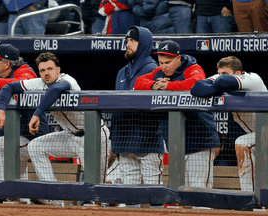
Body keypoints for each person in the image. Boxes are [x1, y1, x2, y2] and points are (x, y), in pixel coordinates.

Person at [0, 52, 111, 205]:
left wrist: (37, 114)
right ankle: (54, 196)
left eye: (49, 69)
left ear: (58, 70)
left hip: (94, 135)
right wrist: (1, 109)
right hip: (70, 136)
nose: (46, 73)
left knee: (96, 190)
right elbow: (8, 87)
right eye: (42, 70)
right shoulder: (38, 83)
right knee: (36, 146)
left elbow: (56, 90)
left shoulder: (67, 80)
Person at [134, 40, 221, 188]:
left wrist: (169, 86)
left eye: (168, 62)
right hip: (176, 144)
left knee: (199, 192)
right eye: (161, 62)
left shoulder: (192, 67)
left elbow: (196, 83)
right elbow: (138, 82)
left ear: (178, 59)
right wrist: (154, 85)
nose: (164, 66)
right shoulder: (159, 72)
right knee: (181, 195)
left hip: (199, 141)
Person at [0, 44, 49, 204]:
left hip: (36, 137)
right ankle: (8, 195)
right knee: (1, 148)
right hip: (19, 138)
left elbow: (21, 82)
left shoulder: (26, 71)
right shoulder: (0, 72)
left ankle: (48, 195)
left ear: (7, 64)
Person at [190, 56, 267, 191]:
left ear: (237, 73)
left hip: (265, 130)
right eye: (219, 73)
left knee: (243, 143)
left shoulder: (252, 79)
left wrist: (216, 87)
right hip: (259, 133)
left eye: (224, 73)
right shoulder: (221, 77)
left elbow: (225, 81)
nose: (220, 77)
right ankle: (252, 197)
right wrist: (219, 85)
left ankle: (251, 196)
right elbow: (196, 88)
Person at [110, 26, 165, 199]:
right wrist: (115, 139)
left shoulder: (154, 70)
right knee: (129, 194)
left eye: (133, 41)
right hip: (125, 141)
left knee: (153, 193)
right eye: (127, 41)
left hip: (147, 140)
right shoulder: (121, 72)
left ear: (143, 44)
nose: (128, 44)